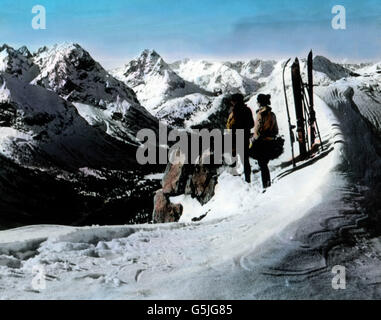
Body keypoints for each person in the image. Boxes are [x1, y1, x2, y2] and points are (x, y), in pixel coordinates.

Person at [251, 94, 279, 189]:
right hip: (270, 142)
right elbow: (276, 130)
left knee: (262, 165)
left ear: (260, 102)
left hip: (261, 143)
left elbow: (257, 130)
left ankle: (266, 185)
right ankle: (267, 183)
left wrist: (253, 140)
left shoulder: (260, 114)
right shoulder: (272, 114)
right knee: (264, 164)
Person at [226, 93, 254, 183]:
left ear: (235, 101)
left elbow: (229, 126)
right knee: (245, 159)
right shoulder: (247, 110)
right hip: (245, 136)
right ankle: (247, 179)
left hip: (235, 137)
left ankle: (235, 177)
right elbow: (252, 124)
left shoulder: (233, 112)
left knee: (233, 156)